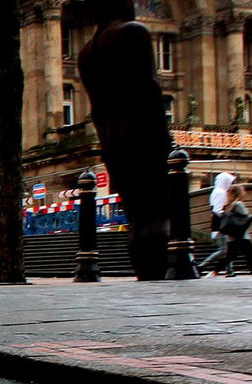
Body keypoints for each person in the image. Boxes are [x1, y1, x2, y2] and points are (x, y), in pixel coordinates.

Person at [78, 0, 171, 280]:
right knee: (156, 212)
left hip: (112, 142)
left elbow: (96, 107)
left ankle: (145, 270)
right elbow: (149, 88)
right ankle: (158, 272)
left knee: (137, 216)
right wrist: (164, 137)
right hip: (143, 135)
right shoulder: (133, 32)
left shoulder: (86, 53)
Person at [199, 183, 252, 277]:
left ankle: (214, 271)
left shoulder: (229, 205)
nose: (245, 193)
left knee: (230, 256)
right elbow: (245, 216)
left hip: (232, 236)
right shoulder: (239, 204)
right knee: (249, 254)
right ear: (239, 193)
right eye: (243, 191)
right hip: (242, 235)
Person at [203, 172, 236, 276]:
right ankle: (202, 265)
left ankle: (230, 270)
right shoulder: (220, 193)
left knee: (227, 249)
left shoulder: (217, 191)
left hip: (219, 224)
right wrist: (227, 216)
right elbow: (217, 210)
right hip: (221, 225)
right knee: (223, 250)